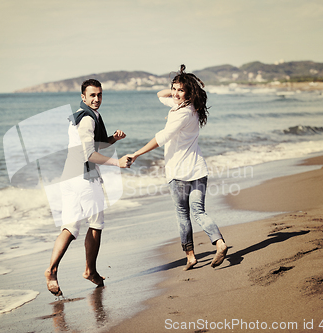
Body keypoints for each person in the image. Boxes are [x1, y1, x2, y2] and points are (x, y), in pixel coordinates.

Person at [127, 65, 227, 270]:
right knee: (198, 211)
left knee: (183, 214)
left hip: (179, 173)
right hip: (198, 170)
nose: (174, 94)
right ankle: (220, 243)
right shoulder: (191, 108)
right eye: (174, 89)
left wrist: (136, 153)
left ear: (189, 92)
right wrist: (178, 86)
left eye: (180, 90)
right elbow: (160, 94)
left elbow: (161, 138)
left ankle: (190, 256)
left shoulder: (179, 114)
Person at [45, 79, 131, 296]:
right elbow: (89, 154)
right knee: (96, 224)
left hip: (69, 177)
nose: (96, 99)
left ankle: (51, 271)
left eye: (99, 95)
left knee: (70, 227)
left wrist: (113, 138)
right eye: (92, 95)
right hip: (85, 179)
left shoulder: (83, 115)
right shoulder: (88, 120)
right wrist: (117, 163)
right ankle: (90, 270)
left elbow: (95, 145)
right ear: (83, 97)